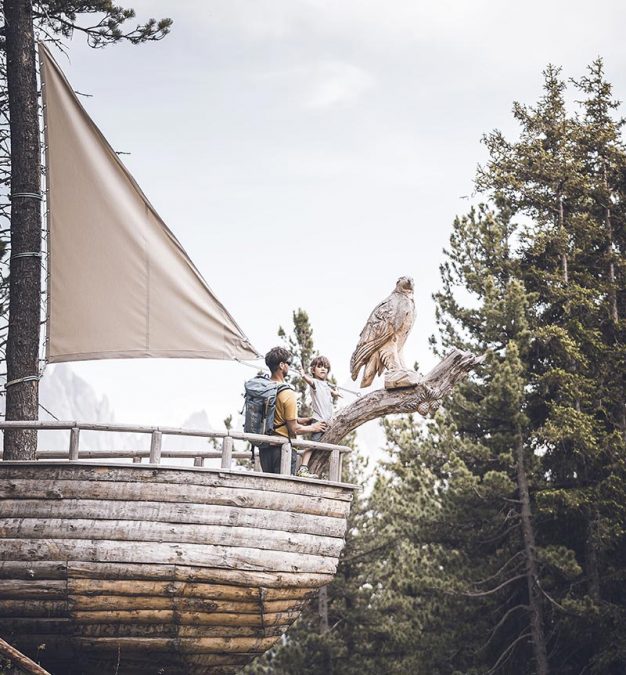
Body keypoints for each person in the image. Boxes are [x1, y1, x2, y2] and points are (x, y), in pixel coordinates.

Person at [258, 346, 328, 475]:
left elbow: (276, 417)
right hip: (282, 450)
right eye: (288, 364)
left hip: (264, 449)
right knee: (283, 491)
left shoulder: (265, 389)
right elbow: (294, 428)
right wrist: (314, 427)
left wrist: (305, 420)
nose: (289, 367)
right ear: (282, 365)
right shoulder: (287, 393)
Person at [298, 355, 341, 478]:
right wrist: (303, 375)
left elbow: (329, 391)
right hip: (319, 420)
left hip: (327, 421)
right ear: (313, 370)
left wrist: (335, 393)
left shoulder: (325, 385)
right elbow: (310, 381)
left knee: (321, 447)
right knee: (313, 444)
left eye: (326, 367)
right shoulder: (315, 383)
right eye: (320, 366)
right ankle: (303, 468)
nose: (323, 369)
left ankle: (312, 468)